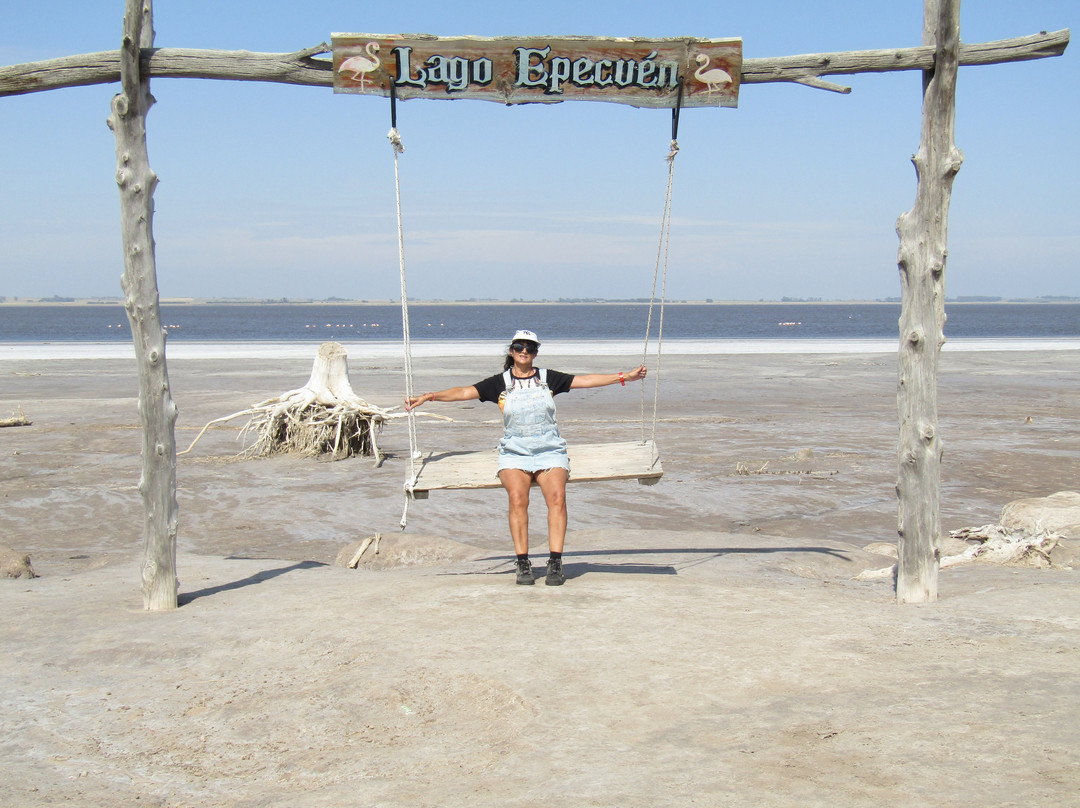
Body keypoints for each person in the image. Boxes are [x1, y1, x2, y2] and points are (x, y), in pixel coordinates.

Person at [406, 329, 647, 586]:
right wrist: (429, 396)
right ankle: (522, 562)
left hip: (549, 449)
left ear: (536, 353)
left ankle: (555, 562)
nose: (524, 352)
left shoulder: (548, 378)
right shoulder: (499, 383)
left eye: (530, 348)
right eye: (520, 347)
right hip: (514, 452)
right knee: (518, 500)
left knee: (557, 498)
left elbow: (586, 380)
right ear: (511, 351)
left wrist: (625, 377)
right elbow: (465, 392)